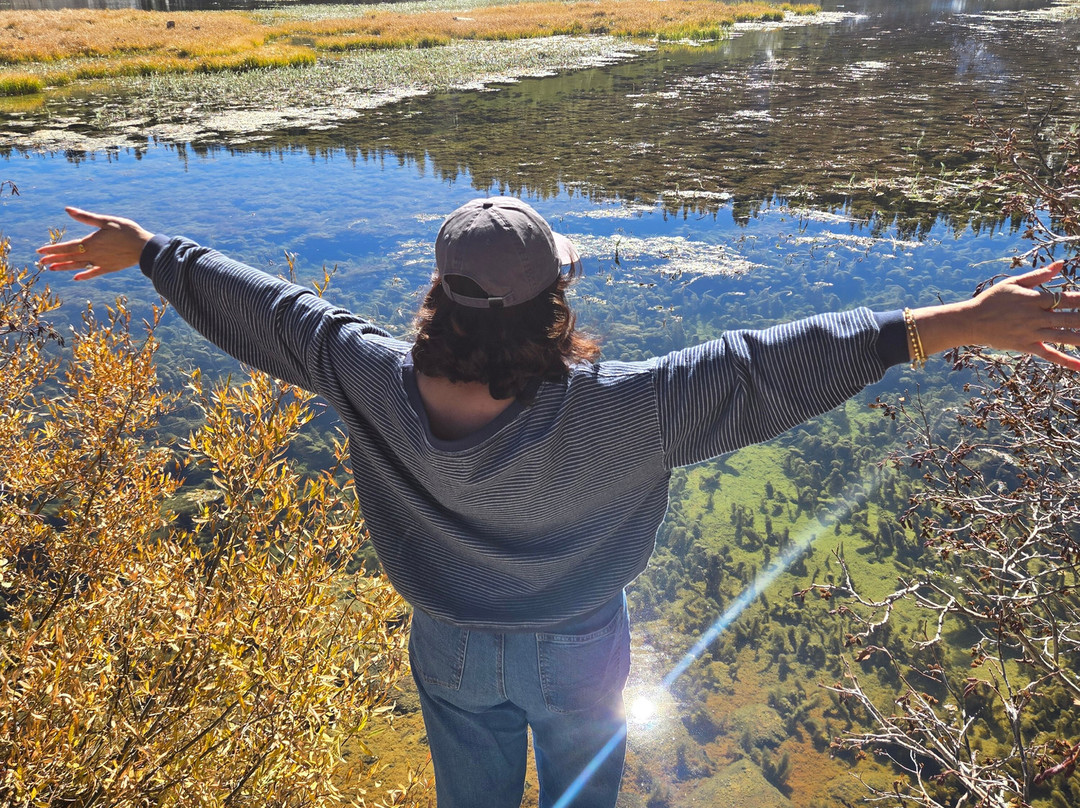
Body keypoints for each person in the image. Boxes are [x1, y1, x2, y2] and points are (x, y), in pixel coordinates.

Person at [37, 199, 1080, 808]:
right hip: (583, 646)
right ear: (554, 304)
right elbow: (774, 365)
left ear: (438, 297)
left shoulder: (364, 375)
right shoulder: (637, 408)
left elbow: (267, 311)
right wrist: (963, 320)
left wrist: (152, 253)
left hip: (450, 644)